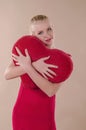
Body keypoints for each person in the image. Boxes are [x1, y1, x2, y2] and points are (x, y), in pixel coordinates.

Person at [4, 15, 61, 130]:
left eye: (49, 29)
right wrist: (33, 65)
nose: (47, 35)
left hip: (45, 118)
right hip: (21, 115)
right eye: (40, 32)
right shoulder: (27, 55)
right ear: (33, 37)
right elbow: (7, 74)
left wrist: (29, 67)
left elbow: (50, 91)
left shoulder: (61, 59)